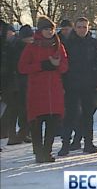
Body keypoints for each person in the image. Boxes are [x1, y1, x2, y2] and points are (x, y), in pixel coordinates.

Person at [18, 16, 69, 163]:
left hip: (54, 90)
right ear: (40, 30)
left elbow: (65, 67)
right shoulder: (32, 47)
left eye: (51, 29)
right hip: (37, 90)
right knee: (36, 123)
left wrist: (56, 65)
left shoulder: (58, 46)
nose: (49, 32)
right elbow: (22, 67)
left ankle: (47, 151)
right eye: (46, 29)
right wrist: (43, 65)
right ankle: (39, 152)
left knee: (52, 123)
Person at [59, 17, 97, 155]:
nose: (82, 30)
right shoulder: (67, 43)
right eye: (79, 27)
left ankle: (88, 143)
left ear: (88, 28)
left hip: (89, 84)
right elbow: (63, 65)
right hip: (71, 84)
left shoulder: (93, 43)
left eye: (84, 27)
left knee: (88, 115)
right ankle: (66, 144)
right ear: (75, 27)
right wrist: (63, 83)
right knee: (70, 115)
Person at [1, 24, 33, 145]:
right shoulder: (20, 48)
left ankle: (16, 134)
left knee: (16, 110)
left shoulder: (13, 46)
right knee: (20, 110)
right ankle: (20, 134)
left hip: (15, 83)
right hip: (18, 83)